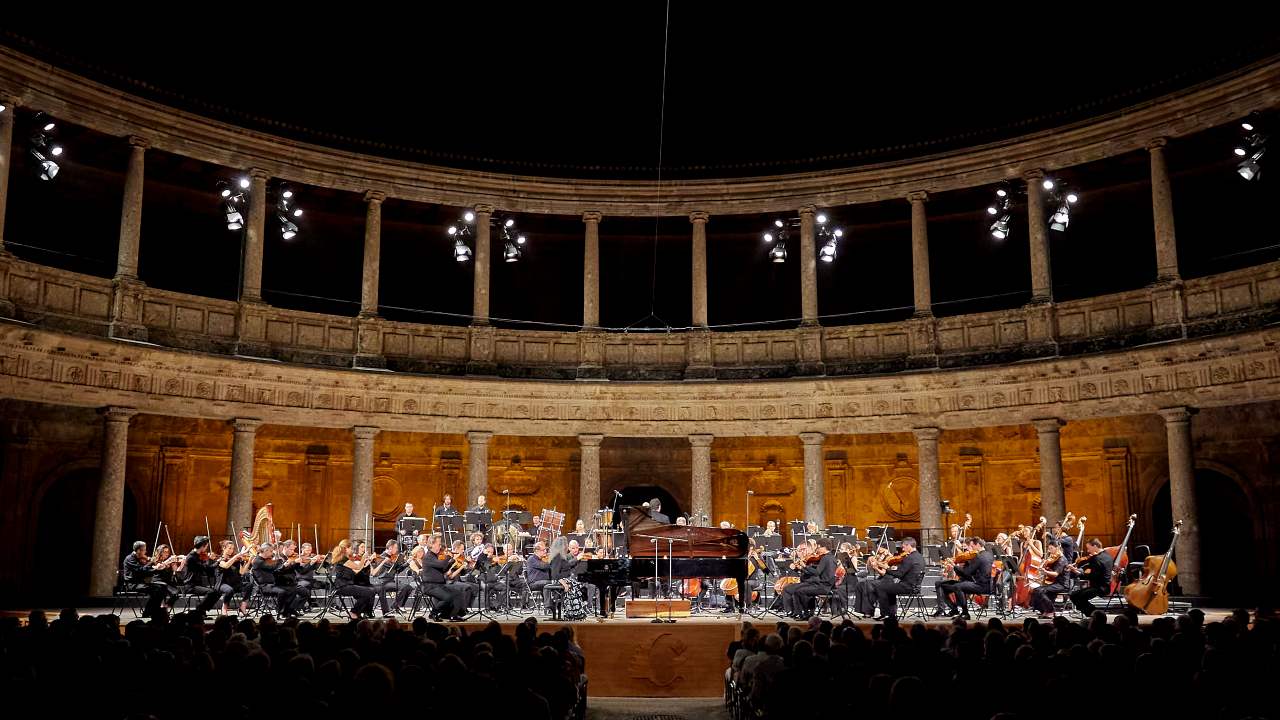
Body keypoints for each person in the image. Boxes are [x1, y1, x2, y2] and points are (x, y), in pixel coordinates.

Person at [934, 537, 993, 620]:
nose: (971, 549)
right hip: (986, 584)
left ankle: (965, 613)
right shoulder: (988, 554)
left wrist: (955, 566)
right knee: (947, 586)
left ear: (978, 545)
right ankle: (955, 610)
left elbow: (967, 573)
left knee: (958, 586)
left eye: (972, 546)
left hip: (980, 585)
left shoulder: (979, 557)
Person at [873, 537, 925, 622]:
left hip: (907, 586)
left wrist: (887, 569)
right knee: (890, 588)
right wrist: (894, 568)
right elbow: (906, 570)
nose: (903, 549)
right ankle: (892, 614)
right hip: (915, 586)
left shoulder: (909, 558)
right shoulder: (920, 557)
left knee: (881, 587)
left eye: (904, 547)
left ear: (909, 546)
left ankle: (885, 614)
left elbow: (899, 574)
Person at [783, 538, 835, 619]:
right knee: (797, 591)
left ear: (824, 547)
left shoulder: (826, 558)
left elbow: (817, 572)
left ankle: (805, 614)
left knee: (799, 591)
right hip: (823, 585)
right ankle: (803, 614)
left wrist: (804, 566)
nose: (817, 549)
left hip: (823, 586)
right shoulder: (830, 557)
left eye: (818, 547)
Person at [251, 544, 308, 618]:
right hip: (264, 586)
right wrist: (284, 564)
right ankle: (280, 611)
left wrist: (286, 564)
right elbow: (272, 568)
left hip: (273, 584)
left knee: (292, 589)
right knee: (282, 592)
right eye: (271, 551)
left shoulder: (267, 560)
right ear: (265, 551)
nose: (272, 553)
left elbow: (276, 568)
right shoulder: (257, 561)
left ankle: (287, 611)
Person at [122, 541, 174, 620]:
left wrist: (156, 568)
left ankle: (153, 611)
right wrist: (151, 563)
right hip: (132, 584)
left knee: (162, 586)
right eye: (144, 550)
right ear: (138, 550)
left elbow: (147, 572)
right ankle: (148, 612)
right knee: (157, 589)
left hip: (141, 583)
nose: (145, 552)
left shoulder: (140, 558)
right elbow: (141, 570)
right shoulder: (130, 559)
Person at [329, 540, 376, 620]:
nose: (351, 550)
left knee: (369, 592)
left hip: (347, 585)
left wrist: (365, 563)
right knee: (369, 592)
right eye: (350, 548)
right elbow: (357, 567)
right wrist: (363, 557)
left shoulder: (345, 559)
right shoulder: (343, 559)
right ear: (346, 549)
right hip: (342, 586)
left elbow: (357, 571)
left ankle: (357, 612)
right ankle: (354, 612)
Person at [1066, 538, 1113, 614]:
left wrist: (1077, 573)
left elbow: (1092, 576)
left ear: (1094, 546)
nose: (1088, 551)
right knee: (1078, 595)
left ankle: (1094, 613)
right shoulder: (1108, 556)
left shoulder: (1096, 559)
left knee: (1074, 596)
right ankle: (1094, 613)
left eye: (1088, 548)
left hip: (1098, 588)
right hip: (1107, 587)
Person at [183, 536, 222, 614]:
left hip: (197, 584)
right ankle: (199, 611)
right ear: (202, 546)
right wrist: (216, 561)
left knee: (218, 592)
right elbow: (206, 568)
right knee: (211, 592)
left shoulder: (197, 556)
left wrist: (211, 561)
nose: (207, 548)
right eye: (206, 546)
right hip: (190, 585)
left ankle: (202, 610)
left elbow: (208, 571)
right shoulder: (191, 557)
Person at [1030, 542, 1069, 618]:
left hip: (1061, 584)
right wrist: (1042, 572)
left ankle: (1051, 611)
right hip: (1053, 582)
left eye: (1051, 548)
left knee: (1040, 591)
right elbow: (1050, 571)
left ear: (1057, 548)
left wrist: (1045, 572)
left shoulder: (1062, 559)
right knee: (1035, 590)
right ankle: (1044, 610)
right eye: (1049, 549)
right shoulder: (1054, 558)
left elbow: (1055, 574)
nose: (1049, 551)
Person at [369, 539, 407, 615]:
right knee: (405, 587)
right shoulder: (382, 557)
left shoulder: (391, 557)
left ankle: (395, 605)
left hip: (390, 581)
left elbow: (397, 570)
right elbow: (395, 568)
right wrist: (399, 563)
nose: (397, 550)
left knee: (408, 587)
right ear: (390, 548)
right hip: (383, 582)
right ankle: (393, 607)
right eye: (396, 548)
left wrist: (407, 563)